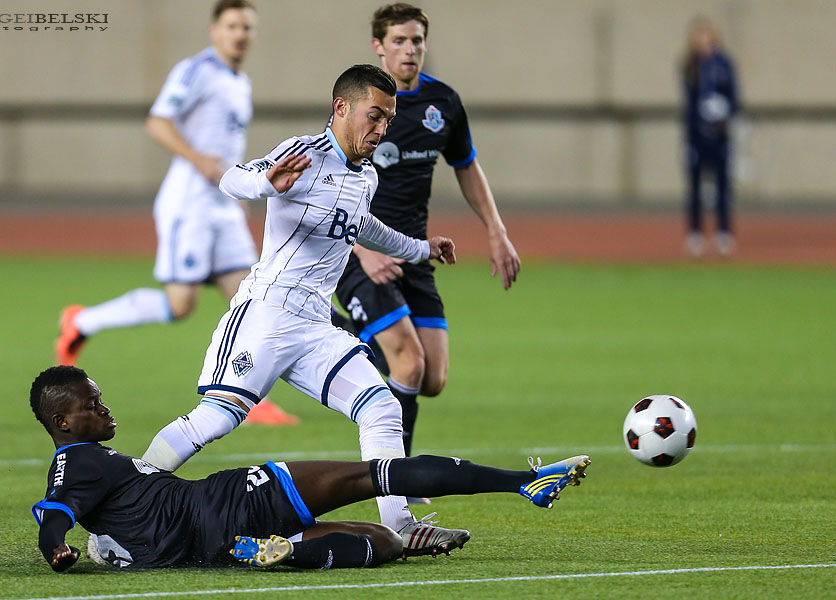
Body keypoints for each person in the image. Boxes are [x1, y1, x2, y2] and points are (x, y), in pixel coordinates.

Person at [135, 63, 477, 559]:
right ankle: (122, 504)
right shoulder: (304, 154)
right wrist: (268, 184)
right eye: (373, 116)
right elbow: (235, 178)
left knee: (381, 407)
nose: (381, 130)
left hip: (317, 325)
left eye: (387, 120)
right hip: (266, 315)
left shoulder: (366, 176)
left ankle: (401, 527)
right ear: (341, 108)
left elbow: (364, 229)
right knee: (215, 420)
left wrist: (422, 249)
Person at [30, 366, 591, 571]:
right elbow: (52, 514)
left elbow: (68, 515)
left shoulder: (90, 473)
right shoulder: (76, 461)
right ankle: (523, 482)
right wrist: (54, 548)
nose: (104, 410)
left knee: (386, 543)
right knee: (376, 474)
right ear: (63, 421)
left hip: (214, 545)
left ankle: (288, 552)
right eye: (91, 405)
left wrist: (79, 545)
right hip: (232, 500)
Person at [53, 0, 296, 425]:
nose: (241, 33)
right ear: (214, 31)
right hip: (190, 204)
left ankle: (249, 395)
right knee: (180, 304)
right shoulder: (196, 70)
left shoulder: (240, 81)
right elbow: (159, 120)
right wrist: (196, 158)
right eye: (233, 25)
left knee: (251, 297)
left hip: (224, 205)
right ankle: (82, 320)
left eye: (247, 27)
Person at [333, 4, 521, 479]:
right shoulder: (363, 103)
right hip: (360, 253)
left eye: (417, 40)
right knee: (408, 363)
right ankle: (397, 478)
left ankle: (339, 335)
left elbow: (467, 166)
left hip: (412, 251)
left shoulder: (445, 104)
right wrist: (364, 249)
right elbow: (328, 182)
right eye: (399, 40)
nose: (409, 49)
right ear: (378, 45)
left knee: (432, 377)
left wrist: (496, 232)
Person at [680, 16, 740, 258]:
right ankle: (695, 233)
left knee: (723, 186)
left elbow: (734, 97)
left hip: (720, 136)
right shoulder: (689, 65)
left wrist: (723, 111)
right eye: (699, 35)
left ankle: (724, 233)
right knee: (695, 187)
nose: (703, 40)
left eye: (707, 35)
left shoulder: (724, 64)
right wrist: (689, 138)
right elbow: (688, 105)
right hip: (697, 137)